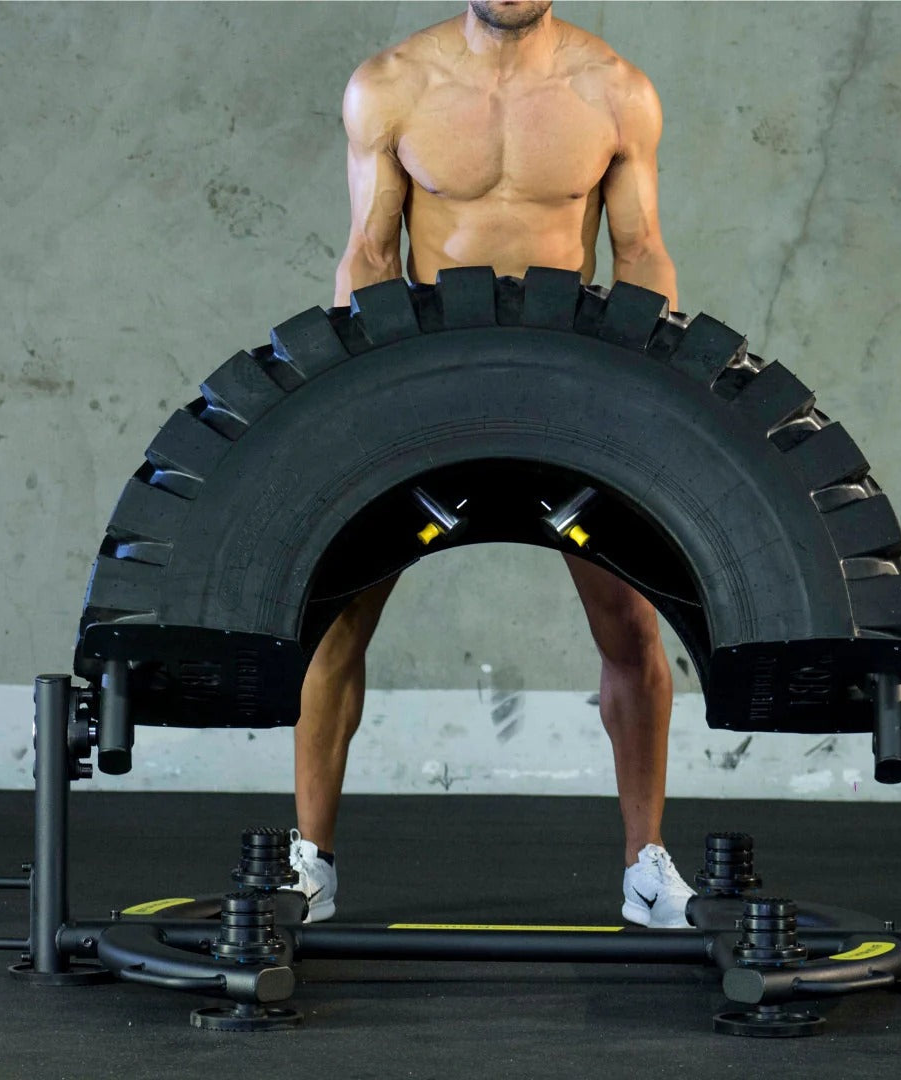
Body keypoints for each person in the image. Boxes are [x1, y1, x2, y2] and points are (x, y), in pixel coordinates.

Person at [289, 0, 694, 929]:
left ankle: (646, 866)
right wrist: (361, 406)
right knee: (338, 616)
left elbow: (640, 253)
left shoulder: (615, 91)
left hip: (568, 384)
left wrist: (650, 405)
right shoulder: (390, 86)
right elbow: (369, 252)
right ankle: (311, 865)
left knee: (629, 624)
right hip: (429, 379)